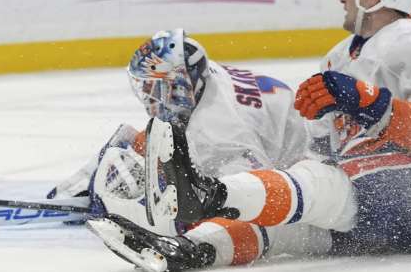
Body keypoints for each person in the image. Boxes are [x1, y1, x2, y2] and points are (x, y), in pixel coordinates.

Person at [95, 0, 411, 271]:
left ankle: (210, 193)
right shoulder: (339, 56)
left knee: (313, 182)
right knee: (274, 223)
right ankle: (190, 250)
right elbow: (322, 146)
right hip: (368, 210)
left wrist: (365, 100)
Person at [50, 29, 307, 235]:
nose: (150, 98)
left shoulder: (218, 133)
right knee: (152, 138)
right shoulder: (204, 77)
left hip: (307, 172)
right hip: (286, 134)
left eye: (156, 88)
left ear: (182, 85)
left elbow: (245, 197)